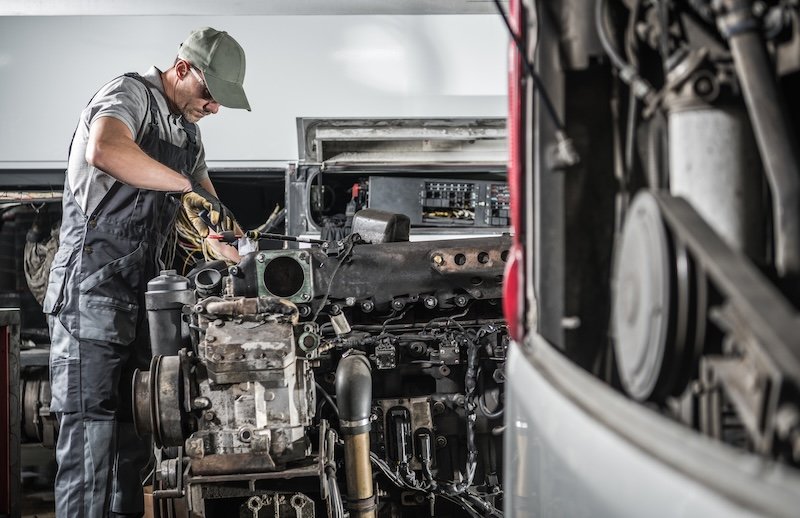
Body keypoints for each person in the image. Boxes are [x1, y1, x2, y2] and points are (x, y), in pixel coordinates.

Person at [43, 27, 250, 518]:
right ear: (182, 70)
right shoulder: (127, 94)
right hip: (89, 299)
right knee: (91, 445)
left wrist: (241, 249)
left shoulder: (187, 133)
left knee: (137, 442)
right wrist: (182, 187)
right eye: (210, 94)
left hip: (143, 305)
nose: (213, 107)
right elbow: (107, 150)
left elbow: (210, 212)